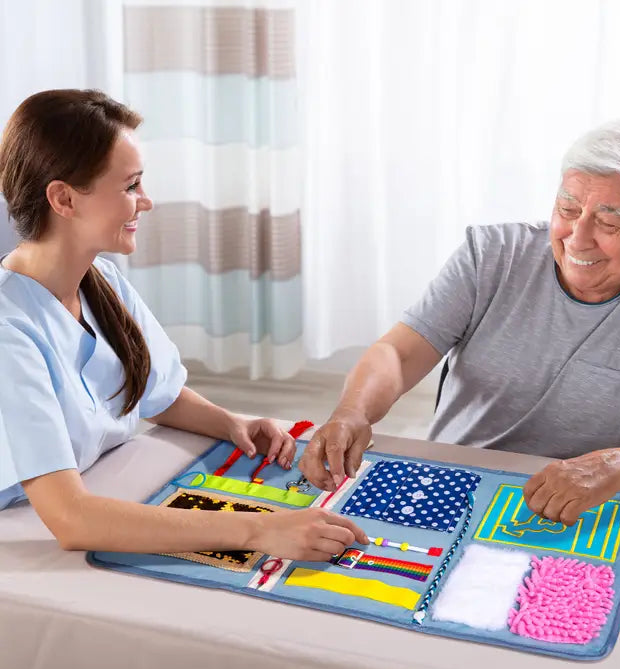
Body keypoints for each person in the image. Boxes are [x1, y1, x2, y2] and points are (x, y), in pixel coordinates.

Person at [0, 89, 367, 559]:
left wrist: (231, 423)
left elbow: (158, 393)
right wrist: (257, 530)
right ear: (64, 199)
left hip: (101, 486)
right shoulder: (12, 331)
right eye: (130, 186)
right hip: (31, 524)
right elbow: (71, 519)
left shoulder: (102, 281)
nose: (146, 201)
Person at [300, 119, 620, 526]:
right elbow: (399, 352)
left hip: (585, 510)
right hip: (453, 484)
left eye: (609, 222)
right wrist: (353, 412)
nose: (578, 237)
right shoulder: (490, 254)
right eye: (567, 209)